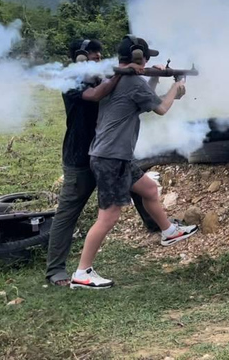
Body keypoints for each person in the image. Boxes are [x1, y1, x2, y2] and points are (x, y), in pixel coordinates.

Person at [70, 35, 196, 290]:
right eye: (147, 58)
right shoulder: (129, 81)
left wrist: (156, 77)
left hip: (114, 155)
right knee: (108, 217)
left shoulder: (118, 79)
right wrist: (176, 87)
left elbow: (140, 99)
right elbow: (160, 108)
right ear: (140, 58)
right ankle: (82, 272)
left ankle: (169, 231)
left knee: (149, 189)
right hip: (111, 157)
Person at [45, 39, 148, 287]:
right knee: (68, 213)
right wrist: (119, 75)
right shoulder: (71, 80)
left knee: (143, 188)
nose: (98, 55)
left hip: (110, 153)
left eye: (98, 51)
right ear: (79, 57)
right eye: (91, 53)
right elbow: (96, 95)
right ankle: (56, 270)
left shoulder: (101, 74)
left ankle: (158, 228)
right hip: (80, 157)